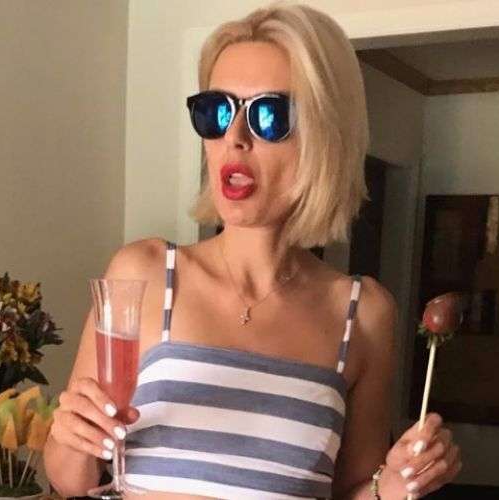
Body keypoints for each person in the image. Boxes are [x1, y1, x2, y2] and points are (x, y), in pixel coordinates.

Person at [44, 2, 461, 499]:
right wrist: (70, 435)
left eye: (269, 115)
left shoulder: (363, 313)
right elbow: (71, 480)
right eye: (215, 112)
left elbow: (356, 488)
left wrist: (391, 485)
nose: (234, 138)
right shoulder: (144, 272)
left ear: (325, 136)